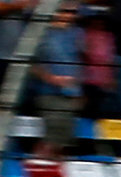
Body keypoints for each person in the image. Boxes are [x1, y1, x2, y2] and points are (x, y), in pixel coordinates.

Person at [35, 3, 86, 155]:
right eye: (63, 11)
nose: (68, 15)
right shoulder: (41, 32)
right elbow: (31, 64)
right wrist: (50, 78)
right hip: (48, 92)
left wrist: (79, 91)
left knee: (64, 143)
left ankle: (55, 174)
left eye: (72, 12)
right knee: (51, 140)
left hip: (71, 93)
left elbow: (79, 62)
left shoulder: (78, 33)